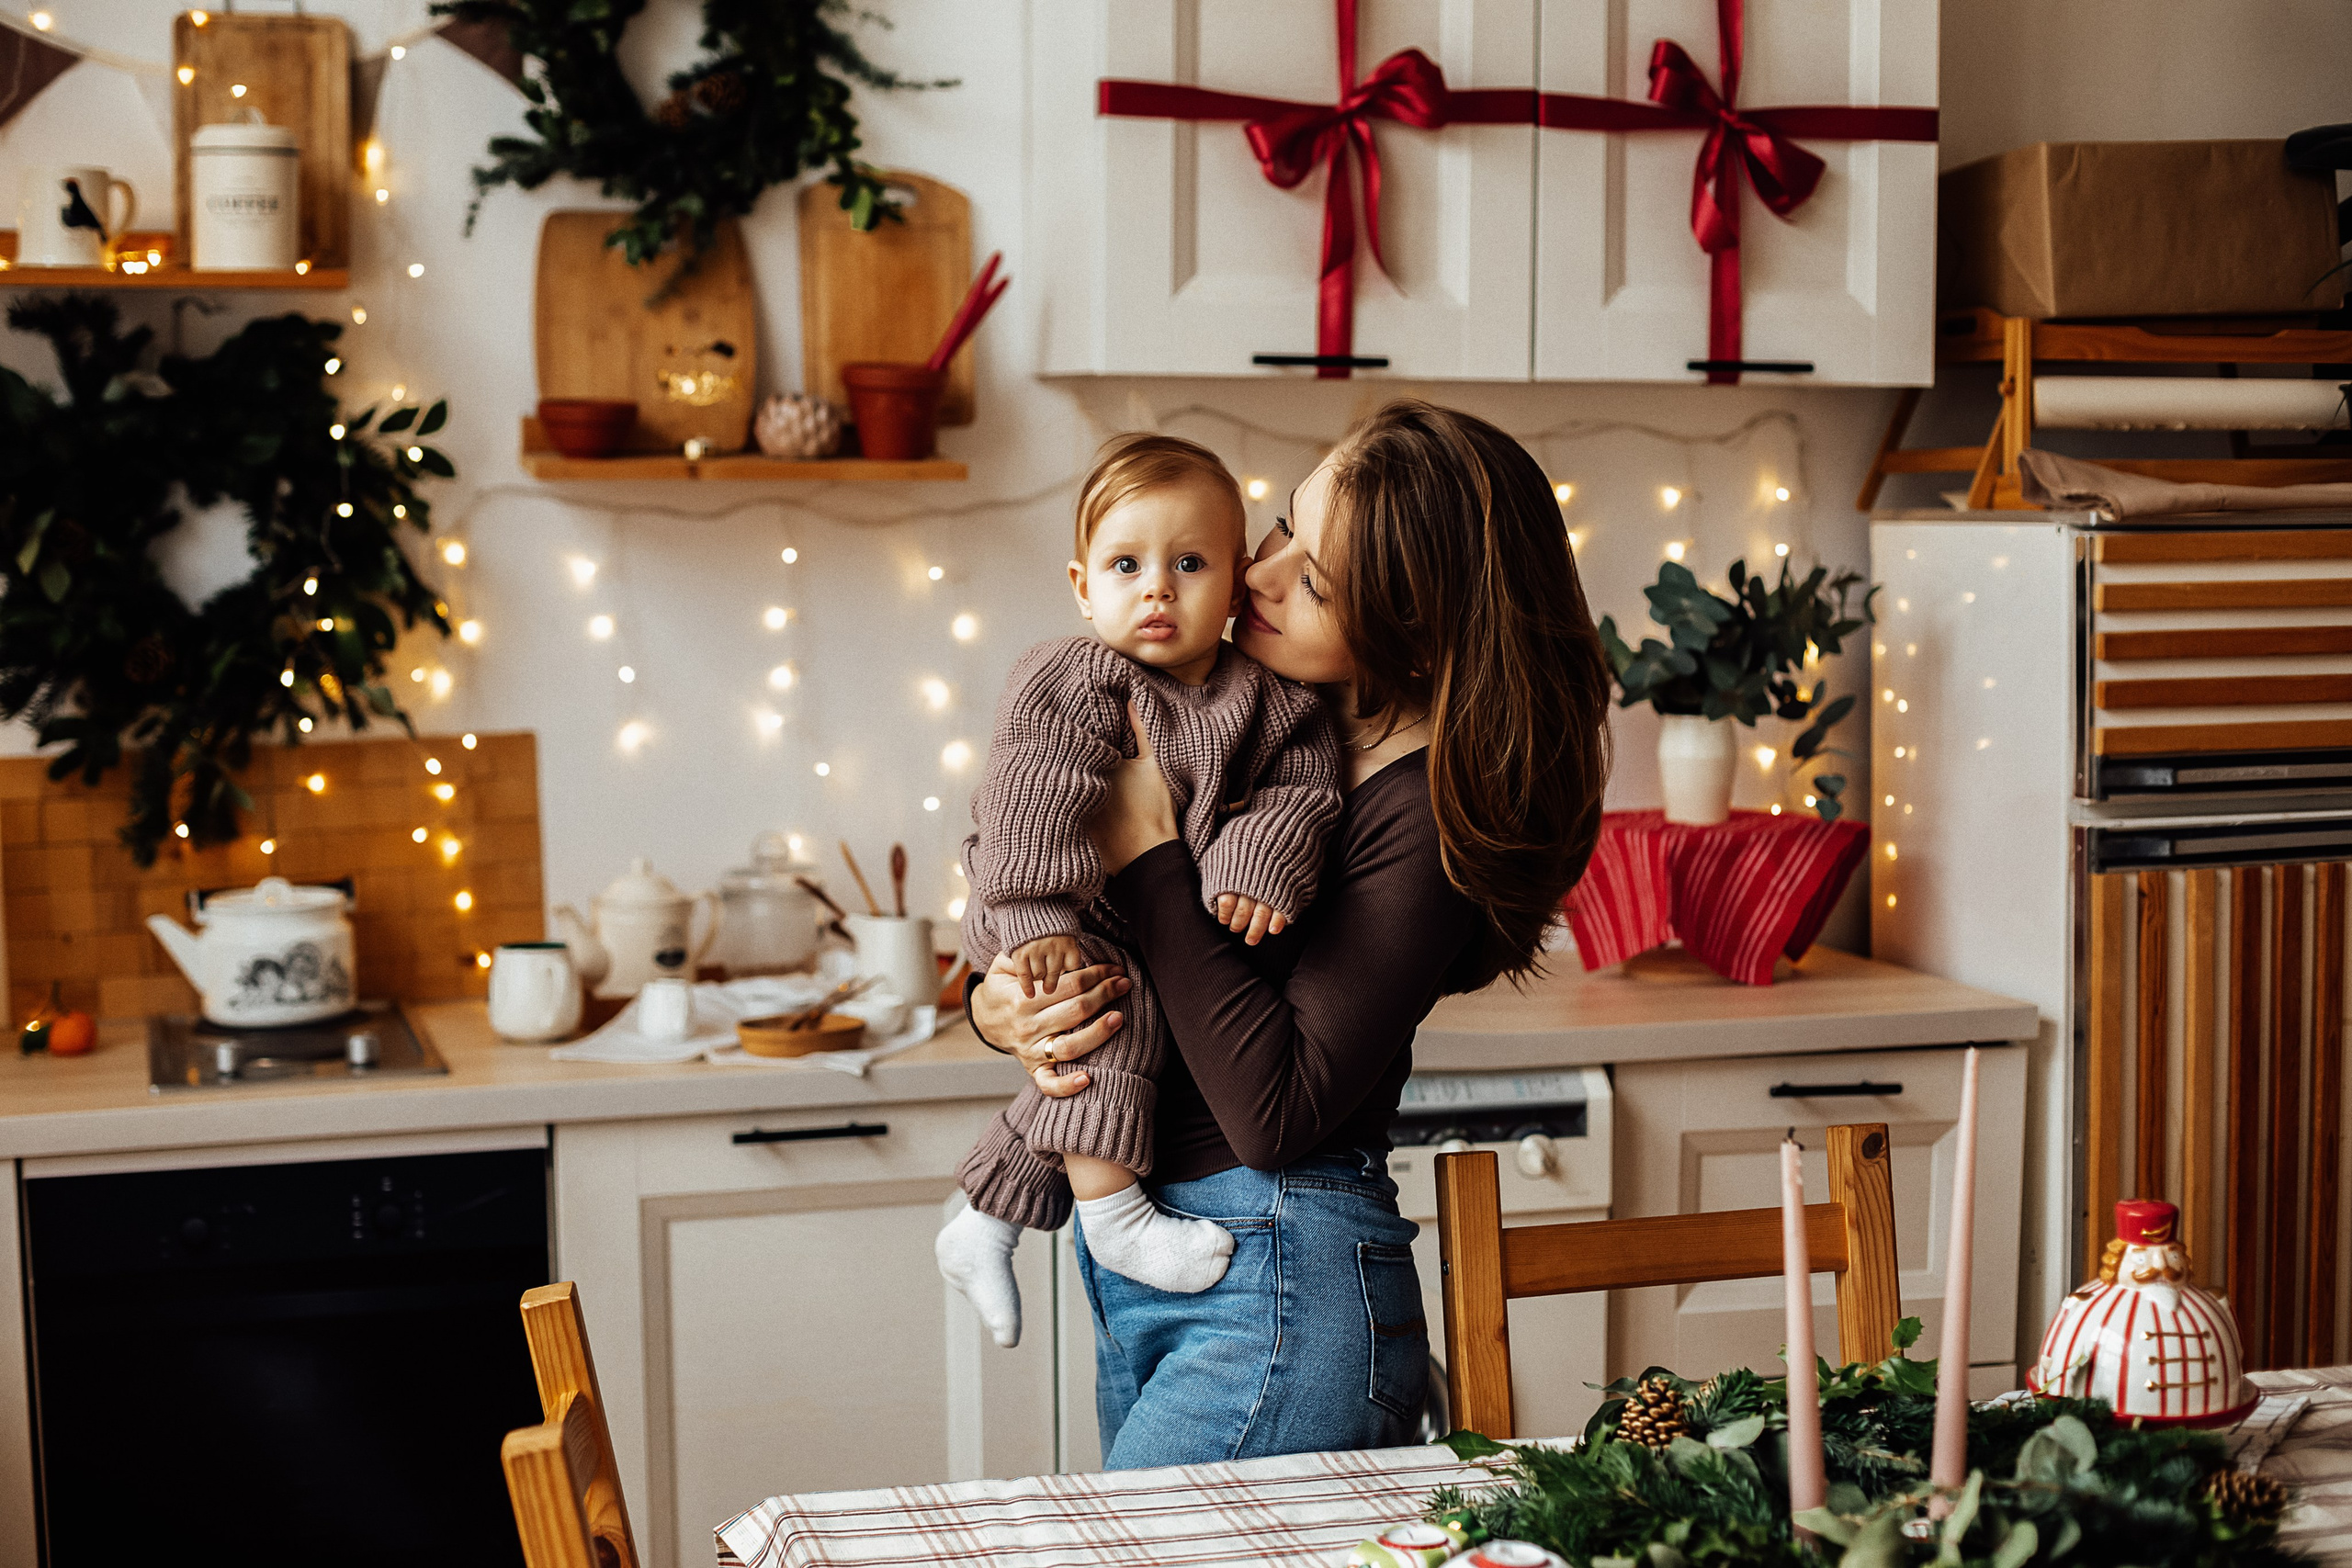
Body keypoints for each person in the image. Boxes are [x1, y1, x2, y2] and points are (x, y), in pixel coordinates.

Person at [967, 400, 1613, 1469]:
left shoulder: (1423, 818)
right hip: (1150, 1257)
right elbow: (1060, 884)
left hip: (1277, 1279)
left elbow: (1276, 1112)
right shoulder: (1262, 712)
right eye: (1281, 530)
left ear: (1416, 627)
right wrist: (1002, 1005)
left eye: (1313, 581)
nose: (1256, 576)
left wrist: (1153, 861)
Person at [934, 434, 1344, 1348]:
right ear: (1083, 586)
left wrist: (1256, 861)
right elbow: (1028, 795)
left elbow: (1304, 792)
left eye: (1189, 563)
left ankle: (986, 1218)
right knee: (1115, 1013)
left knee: (1128, 1009)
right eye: (1127, 565)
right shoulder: (1074, 677)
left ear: (1235, 579)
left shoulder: (1275, 698)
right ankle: (1112, 1219)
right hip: (1053, 909)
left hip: (1161, 931)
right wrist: (1034, 919)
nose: (1157, 588)